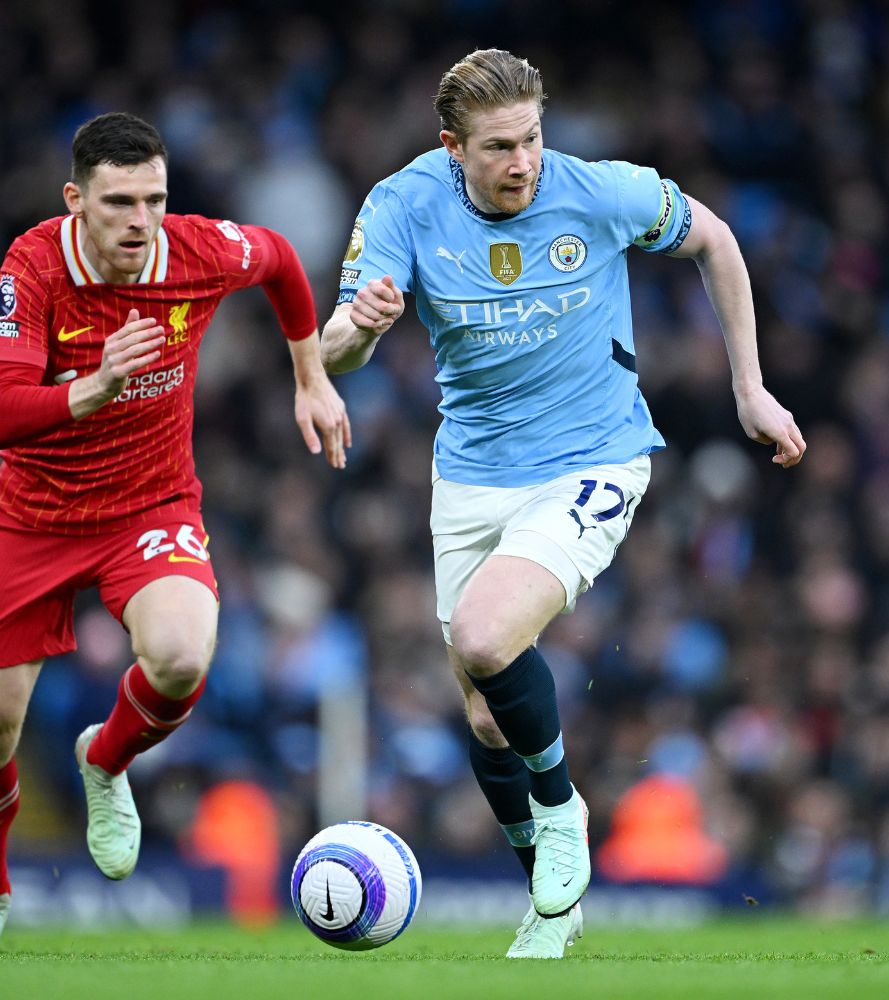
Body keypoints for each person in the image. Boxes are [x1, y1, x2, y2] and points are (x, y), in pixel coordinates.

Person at [321, 49, 805, 958]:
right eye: (500, 147)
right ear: (451, 147)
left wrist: (750, 387)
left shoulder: (599, 192)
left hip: (595, 457)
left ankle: (561, 809)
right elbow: (334, 349)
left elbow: (717, 240)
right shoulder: (401, 205)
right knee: (480, 713)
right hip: (470, 475)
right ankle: (553, 911)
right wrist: (361, 325)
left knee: (486, 637)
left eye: (533, 138)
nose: (523, 162)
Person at [0, 112, 349, 954]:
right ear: (75, 199)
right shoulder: (35, 264)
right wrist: (93, 387)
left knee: (185, 655)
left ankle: (107, 758)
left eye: (154, 199)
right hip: (35, 516)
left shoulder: (193, 251)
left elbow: (276, 258)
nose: (140, 220)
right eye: (119, 201)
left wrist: (311, 376)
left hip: (149, 506)